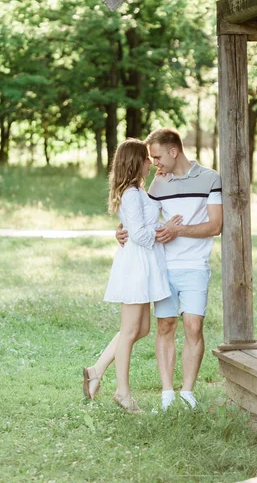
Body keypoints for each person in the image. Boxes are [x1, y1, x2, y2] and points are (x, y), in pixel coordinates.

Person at [117, 128, 222, 410]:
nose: (155, 163)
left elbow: (216, 225)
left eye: (158, 156)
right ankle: (167, 393)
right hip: (162, 266)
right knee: (165, 325)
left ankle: (187, 393)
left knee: (193, 326)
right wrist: (122, 230)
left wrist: (178, 230)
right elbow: (140, 216)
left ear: (174, 151)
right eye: (151, 158)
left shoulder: (210, 178)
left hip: (195, 266)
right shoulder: (157, 185)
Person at [83, 138, 181, 413]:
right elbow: (138, 234)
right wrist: (166, 228)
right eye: (148, 159)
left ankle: (97, 370)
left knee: (142, 329)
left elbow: (137, 222)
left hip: (144, 264)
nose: (151, 162)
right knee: (129, 331)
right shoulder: (130, 194)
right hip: (136, 266)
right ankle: (123, 393)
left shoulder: (137, 191)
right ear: (137, 162)